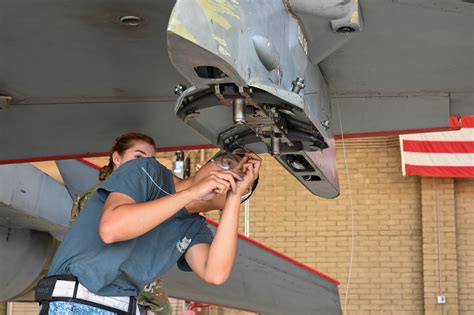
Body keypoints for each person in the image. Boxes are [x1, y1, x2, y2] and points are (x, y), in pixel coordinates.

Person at [36, 133, 261, 315]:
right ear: (203, 165)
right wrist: (193, 193)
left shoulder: (195, 229)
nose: (230, 176)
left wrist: (234, 198)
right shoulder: (147, 171)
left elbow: (215, 274)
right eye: (227, 164)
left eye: (240, 182)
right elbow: (112, 229)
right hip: (73, 302)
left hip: (123, 306)